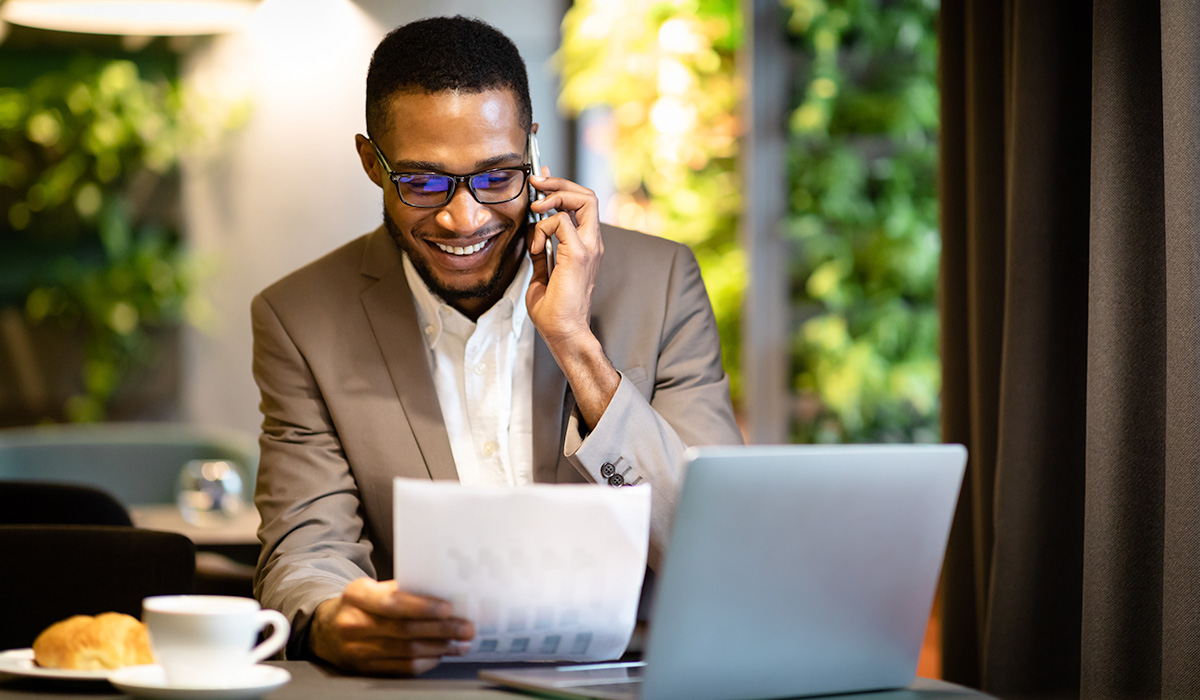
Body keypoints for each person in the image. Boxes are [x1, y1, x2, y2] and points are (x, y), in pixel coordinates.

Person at [250, 15, 741, 676]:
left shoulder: (661, 285)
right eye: (422, 182)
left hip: (632, 679)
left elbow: (719, 549)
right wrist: (339, 619)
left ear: (532, 153)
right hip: (426, 685)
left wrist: (576, 347)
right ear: (372, 162)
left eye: (497, 177)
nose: (464, 217)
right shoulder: (298, 318)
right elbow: (305, 553)